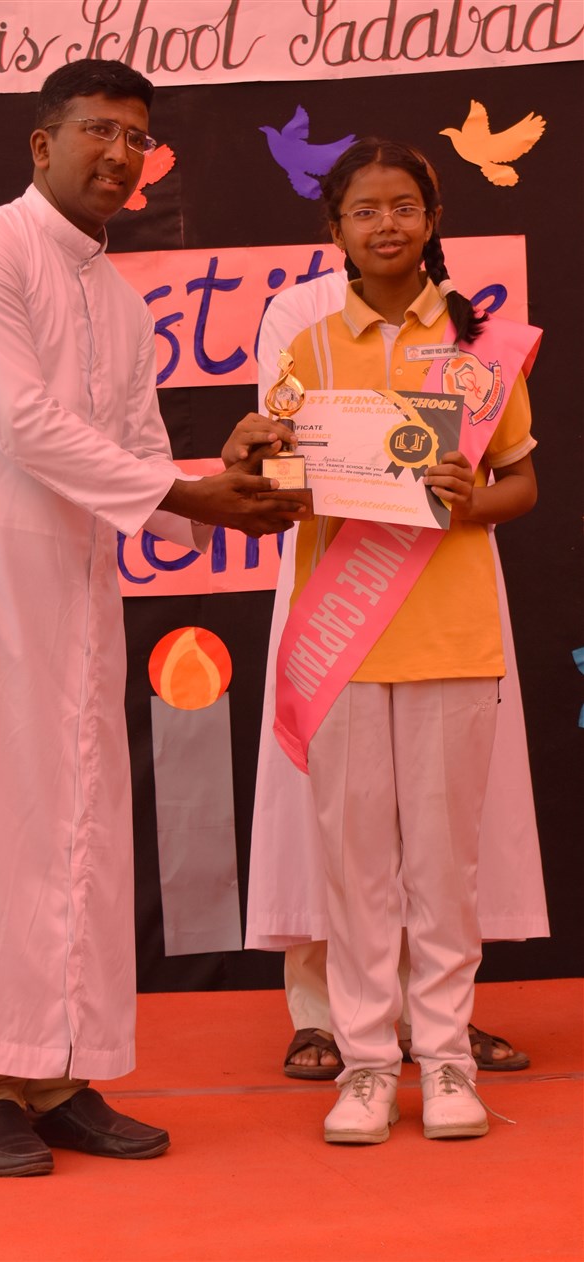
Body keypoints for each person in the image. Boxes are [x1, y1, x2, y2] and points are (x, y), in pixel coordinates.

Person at [0, 58, 310, 1179]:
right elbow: (23, 422)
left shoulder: (118, 299)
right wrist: (191, 497)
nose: (120, 155)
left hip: (71, 597)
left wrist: (229, 480)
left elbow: (141, 454)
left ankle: (56, 1076)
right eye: (98, 131)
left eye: (136, 138)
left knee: (74, 831)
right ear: (42, 142)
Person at [228, 137, 539, 1144]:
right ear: (335, 231)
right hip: (343, 644)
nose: (386, 225)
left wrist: (471, 500)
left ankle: (444, 1060)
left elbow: (520, 482)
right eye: (364, 210)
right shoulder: (307, 351)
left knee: (443, 869)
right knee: (354, 865)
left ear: (432, 219)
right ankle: (366, 1065)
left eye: (403, 206)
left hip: (451, 633)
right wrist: (254, 456)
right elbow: (279, 491)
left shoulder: (478, 346)